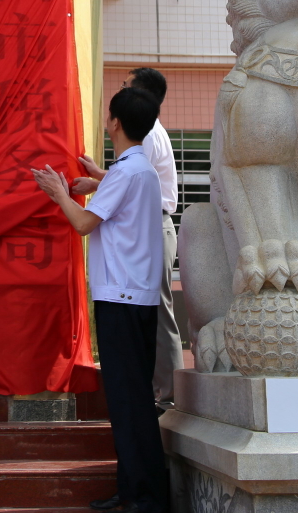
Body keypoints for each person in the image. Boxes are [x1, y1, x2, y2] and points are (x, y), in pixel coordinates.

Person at [33, 88, 169, 513]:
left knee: (128, 402)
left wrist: (59, 192)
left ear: (114, 122)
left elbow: (83, 223)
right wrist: (97, 179)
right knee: (132, 399)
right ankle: (134, 488)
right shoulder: (138, 170)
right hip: (136, 298)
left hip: (122, 298)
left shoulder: (128, 173)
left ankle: (144, 496)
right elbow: (117, 194)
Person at [74, 68, 184, 412]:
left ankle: (169, 392)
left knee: (159, 313)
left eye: (125, 87)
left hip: (154, 226)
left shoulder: (148, 134)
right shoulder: (148, 135)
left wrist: (95, 184)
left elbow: (133, 178)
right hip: (150, 225)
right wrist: (98, 179)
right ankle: (160, 388)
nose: (119, 92)